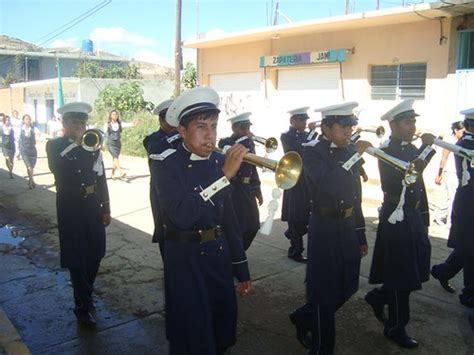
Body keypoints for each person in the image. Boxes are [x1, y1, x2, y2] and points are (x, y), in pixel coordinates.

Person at [153, 86, 252, 355]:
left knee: (220, 330)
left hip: (217, 256)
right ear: (182, 131)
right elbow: (181, 215)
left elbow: (228, 220)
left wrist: (241, 268)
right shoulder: (165, 163)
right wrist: (223, 178)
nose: (210, 134)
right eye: (200, 126)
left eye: (213, 125)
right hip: (184, 259)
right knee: (191, 335)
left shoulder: (217, 160)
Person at [289, 102, 369, 354]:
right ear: (326, 127)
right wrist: (356, 154)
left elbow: (355, 196)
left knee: (348, 285)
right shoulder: (311, 150)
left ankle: (304, 316)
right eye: (343, 127)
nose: (348, 132)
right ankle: (322, 348)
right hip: (324, 227)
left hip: (347, 226)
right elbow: (328, 183)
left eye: (350, 127)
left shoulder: (348, 150)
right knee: (324, 291)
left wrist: (360, 233)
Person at [365, 99, 435, 349]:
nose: (412, 126)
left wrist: (423, 215)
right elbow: (413, 172)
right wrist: (428, 148)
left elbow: (419, 184)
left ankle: (378, 296)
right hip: (397, 217)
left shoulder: (407, 147)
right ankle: (396, 326)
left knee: (411, 266)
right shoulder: (388, 150)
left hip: (411, 216)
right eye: (408, 122)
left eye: (414, 121)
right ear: (393, 125)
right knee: (401, 272)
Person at [46, 102, 111, 328]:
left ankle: (86, 294)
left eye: (83, 122)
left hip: (92, 204)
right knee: (76, 255)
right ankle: (83, 305)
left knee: (95, 252)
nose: (80, 126)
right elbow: (57, 168)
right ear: (64, 124)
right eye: (75, 122)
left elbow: (101, 178)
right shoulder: (54, 146)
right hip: (69, 204)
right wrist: (76, 143)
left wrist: (106, 206)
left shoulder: (92, 146)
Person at [431, 108, 474, 307]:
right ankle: (470, 293)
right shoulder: (465, 144)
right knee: (471, 248)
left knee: (467, 245)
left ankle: (443, 271)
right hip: (469, 201)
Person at [218, 112, 263, 251]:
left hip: (247, 188)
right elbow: (230, 150)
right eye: (243, 128)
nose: (247, 131)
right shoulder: (225, 142)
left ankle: (238, 252)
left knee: (254, 225)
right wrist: (246, 140)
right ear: (234, 129)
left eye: (248, 128)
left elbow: (253, 168)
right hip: (234, 189)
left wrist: (257, 189)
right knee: (238, 225)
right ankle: (234, 256)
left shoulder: (248, 142)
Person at [143, 99, 181, 255]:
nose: (173, 123)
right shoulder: (153, 139)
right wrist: (177, 134)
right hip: (160, 192)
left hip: (181, 188)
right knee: (164, 231)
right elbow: (155, 149)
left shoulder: (181, 136)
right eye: (169, 119)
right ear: (161, 120)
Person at [280, 107, 311, 263]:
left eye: (305, 120)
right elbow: (298, 150)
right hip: (294, 180)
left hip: (307, 180)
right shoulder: (287, 136)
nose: (304, 123)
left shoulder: (307, 135)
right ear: (292, 121)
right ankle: (295, 251)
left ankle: (291, 233)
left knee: (306, 216)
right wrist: (311, 134)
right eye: (300, 120)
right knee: (295, 216)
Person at [433, 121, 465, 226]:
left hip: (459, 173)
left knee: (453, 197)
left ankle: (439, 215)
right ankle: (450, 222)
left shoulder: (463, 141)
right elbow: (444, 159)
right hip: (450, 172)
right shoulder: (450, 142)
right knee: (453, 197)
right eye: (462, 131)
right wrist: (439, 174)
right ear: (456, 130)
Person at [104, 109, 134, 179]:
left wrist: (133, 123)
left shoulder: (119, 124)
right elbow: (104, 134)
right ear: (110, 116)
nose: (115, 116)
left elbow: (128, 124)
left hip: (117, 143)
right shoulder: (107, 124)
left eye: (116, 114)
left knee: (115, 158)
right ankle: (121, 171)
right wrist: (103, 143)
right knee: (115, 157)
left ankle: (112, 174)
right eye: (113, 114)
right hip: (110, 143)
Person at [19, 114, 40, 189]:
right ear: (23, 120)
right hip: (24, 150)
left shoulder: (34, 128)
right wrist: (18, 152)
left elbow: (38, 134)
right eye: (26, 119)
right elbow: (18, 140)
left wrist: (37, 135)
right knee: (29, 167)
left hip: (33, 150)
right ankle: (31, 182)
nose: (28, 120)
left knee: (31, 167)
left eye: (29, 119)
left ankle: (31, 180)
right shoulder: (20, 129)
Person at [2, 114, 15, 178]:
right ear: (4, 121)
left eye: (8, 120)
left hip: (12, 146)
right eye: (6, 120)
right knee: (7, 159)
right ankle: (9, 169)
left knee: (11, 160)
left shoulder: (12, 128)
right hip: (5, 146)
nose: (7, 121)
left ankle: (10, 171)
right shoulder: (1, 128)